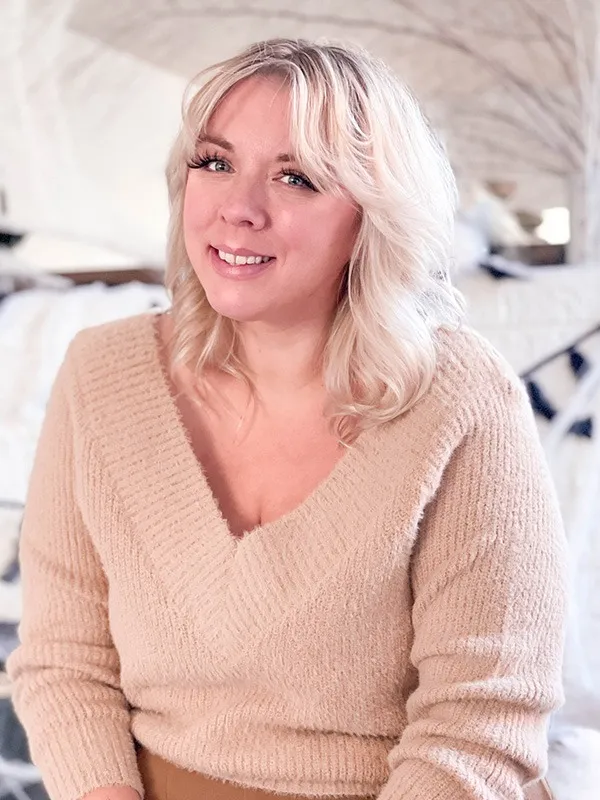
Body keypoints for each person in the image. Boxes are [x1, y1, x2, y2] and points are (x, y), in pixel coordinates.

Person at [7, 38, 566, 800]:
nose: (239, 209)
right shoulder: (100, 374)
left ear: (372, 218)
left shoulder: (461, 399)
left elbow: (480, 717)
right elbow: (63, 662)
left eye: (296, 177)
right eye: (215, 162)